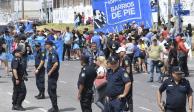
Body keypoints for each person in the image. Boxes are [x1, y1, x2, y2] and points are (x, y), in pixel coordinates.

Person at [116, 47, 133, 112]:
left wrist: (123, 75)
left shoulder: (126, 59)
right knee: (123, 94)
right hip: (124, 80)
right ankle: (125, 108)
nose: (119, 54)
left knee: (128, 95)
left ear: (123, 52)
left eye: (120, 52)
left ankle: (131, 109)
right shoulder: (122, 58)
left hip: (127, 80)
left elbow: (128, 70)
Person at [45, 40, 60, 112]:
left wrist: (50, 72)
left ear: (49, 45)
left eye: (46, 44)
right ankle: (54, 106)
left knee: (52, 91)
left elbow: (56, 64)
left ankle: (55, 108)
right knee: (49, 91)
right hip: (51, 75)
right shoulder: (50, 53)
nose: (45, 46)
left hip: (53, 75)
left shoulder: (53, 53)